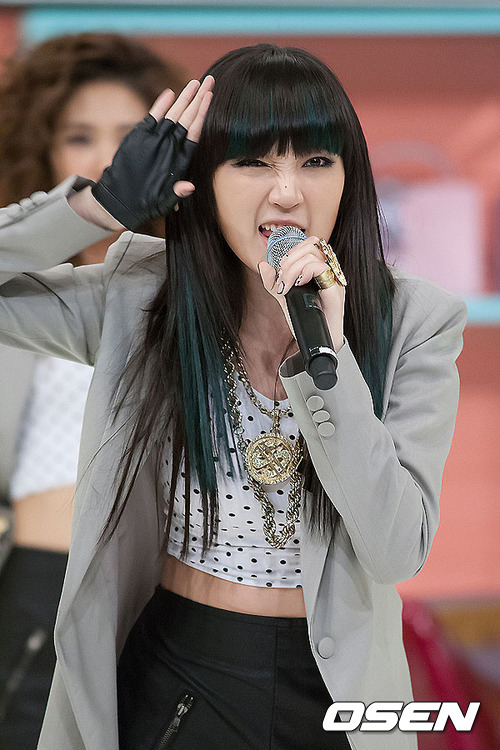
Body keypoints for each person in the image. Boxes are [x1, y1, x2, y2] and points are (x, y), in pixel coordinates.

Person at [0, 44, 466, 750]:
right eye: (253, 162)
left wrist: (328, 360)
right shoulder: (145, 300)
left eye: (317, 161)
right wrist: (97, 206)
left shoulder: (415, 321)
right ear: (205, 179)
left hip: (335, 693)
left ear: (350, 177)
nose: (288, 193)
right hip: (183, 673)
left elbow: (397, 550)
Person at [0, 32, 184, 749]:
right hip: (37, 591)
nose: (110, 156)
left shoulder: (198, 286)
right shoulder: (17, 297)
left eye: (132, 138)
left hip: (172, 598)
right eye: (80, 136)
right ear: (42, 150)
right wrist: (96, 207)